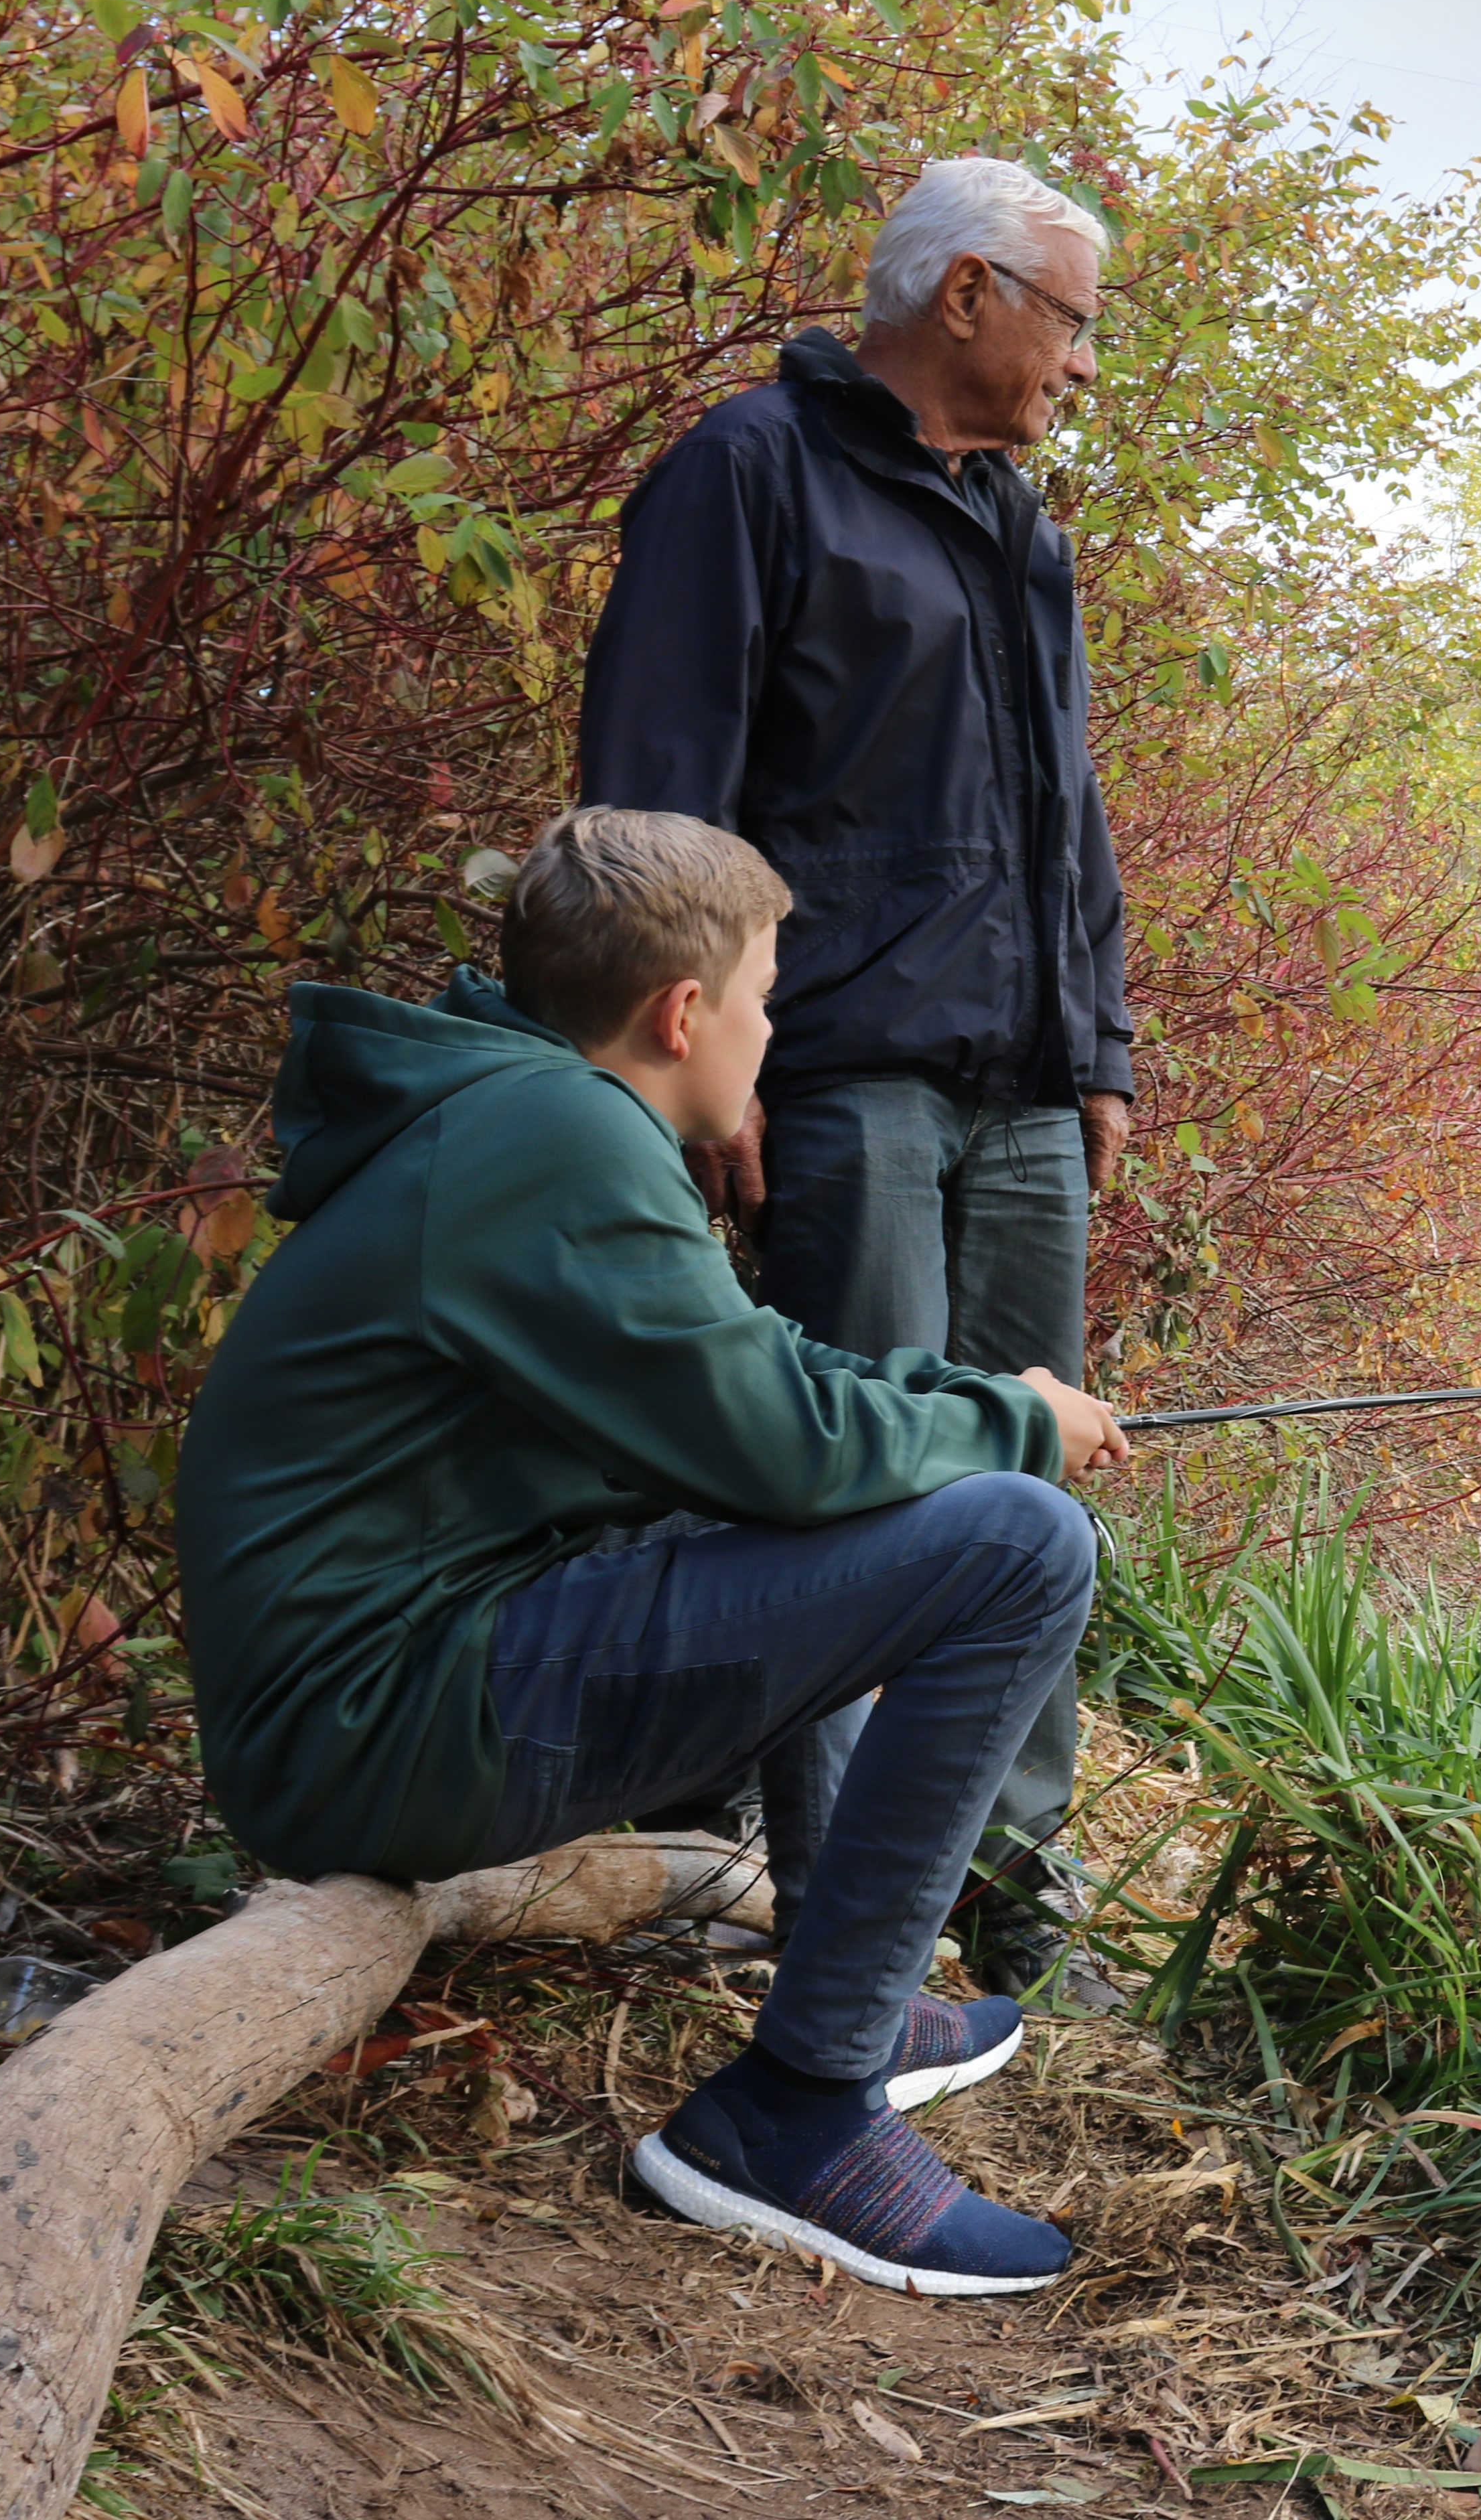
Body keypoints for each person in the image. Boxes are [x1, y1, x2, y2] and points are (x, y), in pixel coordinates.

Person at [176, 810, 1127, 2293]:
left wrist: (982, 1403)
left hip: (386, 1690)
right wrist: (1017, 1424)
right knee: (1021, 1545)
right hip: (372, 1725)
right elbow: (783, 1437)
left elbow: (756, 1385)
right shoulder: (557, 1137)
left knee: (867, 1511)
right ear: (682, 1012)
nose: (768, 1030)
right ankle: (800, 2108)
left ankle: (848, 2007)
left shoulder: (513, 1113)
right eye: (762, 996)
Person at [573, 155, 1134, 2002]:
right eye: (1067, 317)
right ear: (966, 295)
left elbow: (1071, 821)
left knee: (1034, 1483)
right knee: (853, 1498)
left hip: (1024, 1096)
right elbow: (659, 804)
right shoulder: (749, 472)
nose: (1077, 361)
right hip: (843, 1087)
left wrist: (1098, 1054)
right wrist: (699, 1080)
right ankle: (827, 1903)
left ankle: (1008, 1892)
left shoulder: (1021, 527)